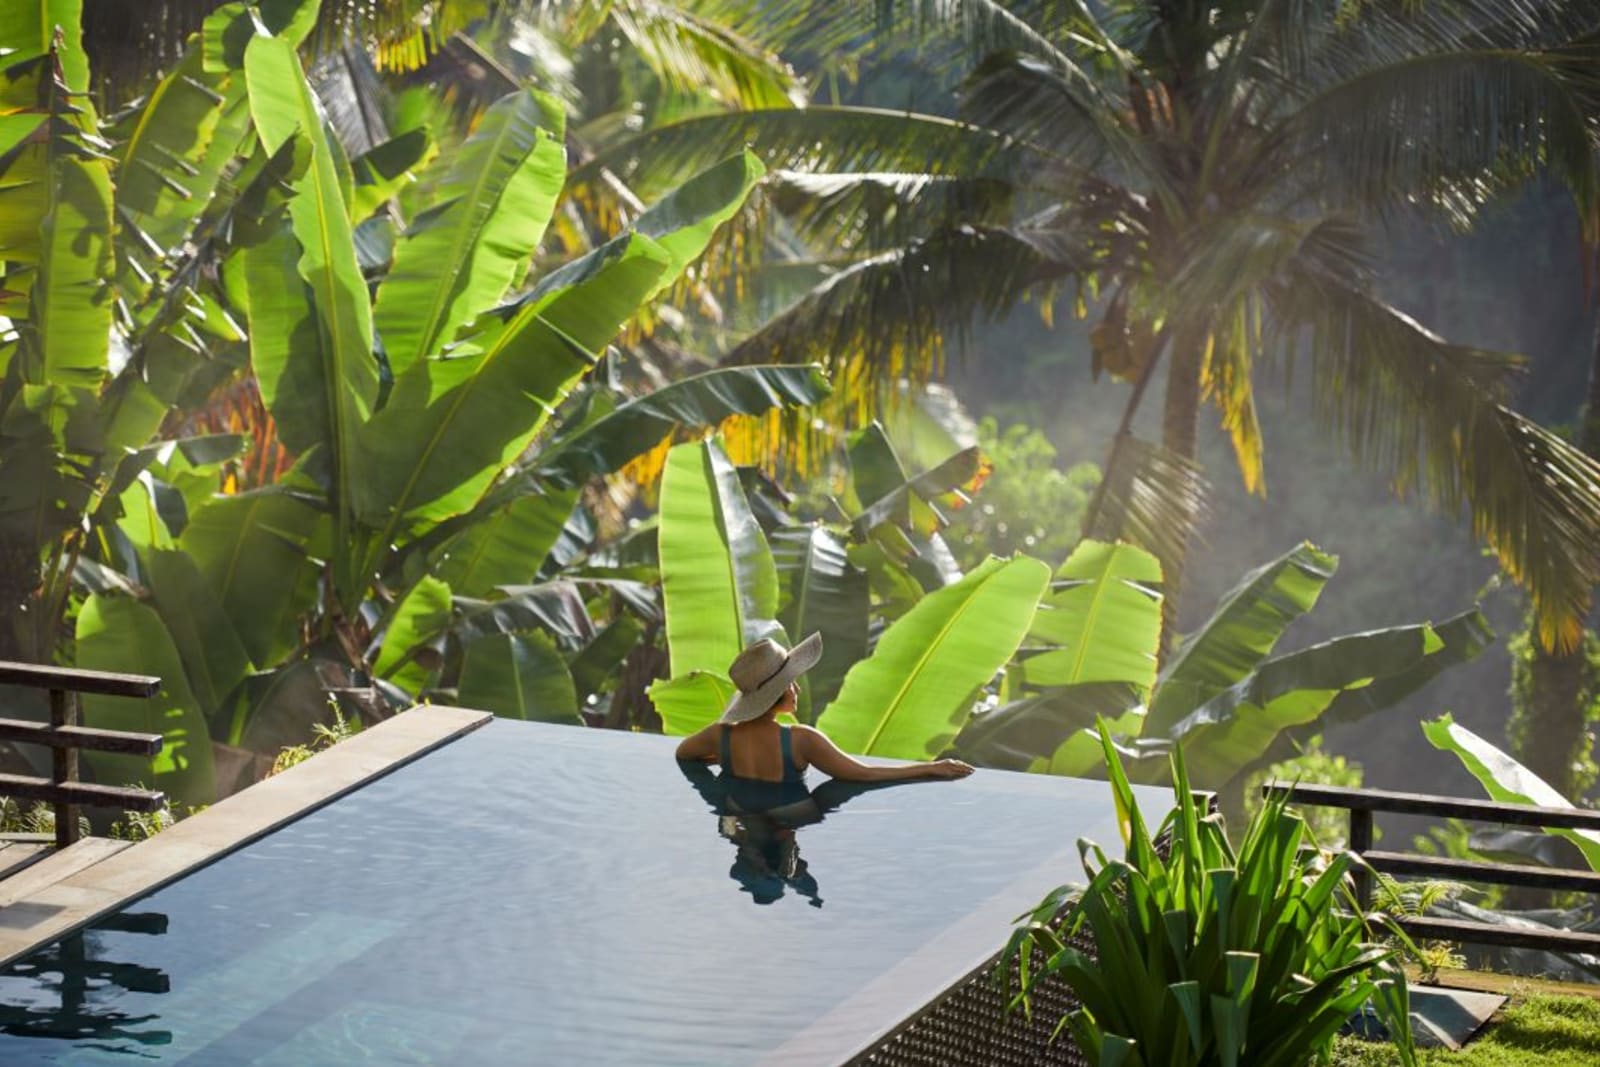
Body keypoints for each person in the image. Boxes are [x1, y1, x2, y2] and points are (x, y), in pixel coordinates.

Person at [673, 633, 975, 788]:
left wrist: (722, 757)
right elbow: (864, 774)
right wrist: (930, 767)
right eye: (791, 683)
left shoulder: (720, 736)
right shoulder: (801, 740)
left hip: (740, 821)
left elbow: (683, 754)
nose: (798, 689)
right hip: (789, 822)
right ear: (779, 693)